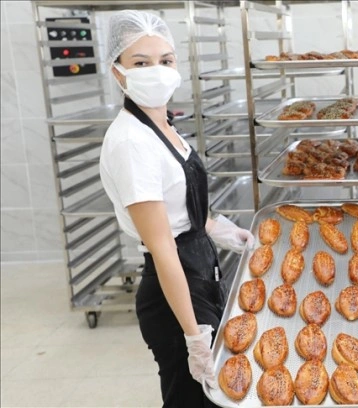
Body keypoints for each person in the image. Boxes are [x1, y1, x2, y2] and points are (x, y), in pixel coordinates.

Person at [99, 10, 254, 407]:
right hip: (174, 296)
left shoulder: (162, 125)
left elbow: (179, 204)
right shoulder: (131, 142)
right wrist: (194, 336)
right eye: (141, 63)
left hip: (199, 275)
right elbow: (163, 246)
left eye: (165, 60)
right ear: (118, 72)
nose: (157, 71)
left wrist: (219, 229)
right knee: (191, 399)